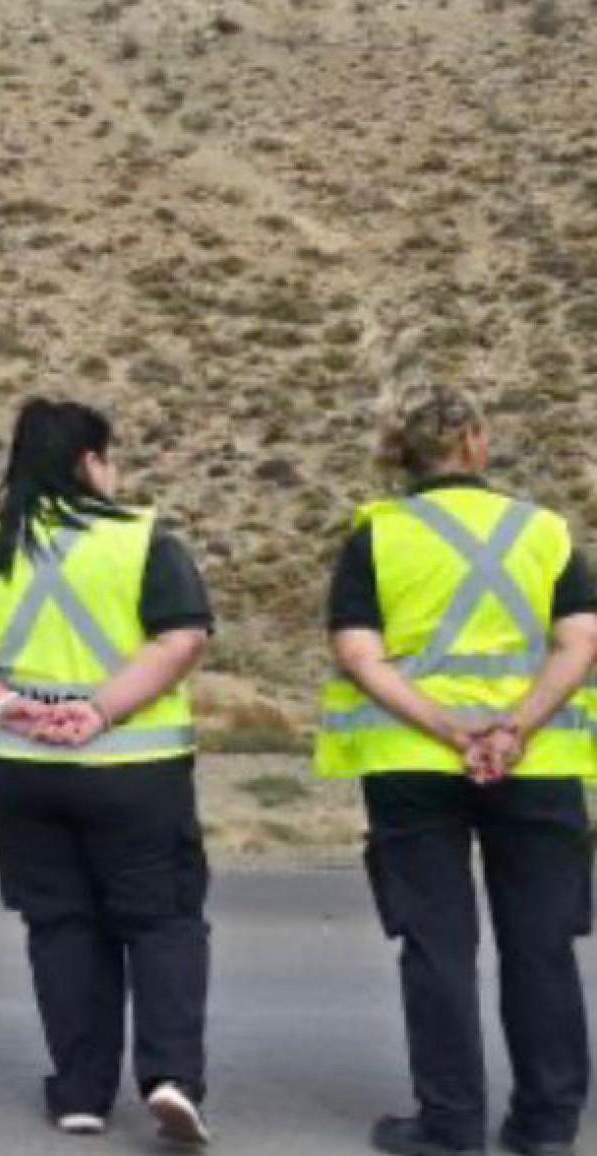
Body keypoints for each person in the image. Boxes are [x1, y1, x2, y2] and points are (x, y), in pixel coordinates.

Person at [316, 383, 597, 1156]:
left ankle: (450, 1124)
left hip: (413, 762)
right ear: (476, 441)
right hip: (536, 763)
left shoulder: (375, 535)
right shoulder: (544, 531)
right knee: (540, 945)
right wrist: (516, 727)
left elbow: (357, 651)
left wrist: (447, 728)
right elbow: (580, 639)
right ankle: (544, 1128)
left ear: (403, 451)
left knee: (437, 945)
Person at [0, 398, 216, 1146]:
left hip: (21, 770)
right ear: (91, 462)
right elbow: (180, 639)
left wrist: (7, 708)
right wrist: (101, 712)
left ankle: (81, 1094)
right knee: (162, 923)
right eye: (108, 457)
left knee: (61, 926)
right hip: (135, 768)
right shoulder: (144, 540)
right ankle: (171, 1079)